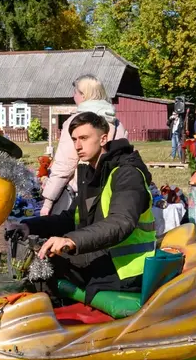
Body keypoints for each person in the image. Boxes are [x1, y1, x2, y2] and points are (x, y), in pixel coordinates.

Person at [13, 112, 155, 302]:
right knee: (40, 262)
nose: (78, 146)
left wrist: (71, 241)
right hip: (103, 258)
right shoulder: (93, 173)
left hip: (128, 270)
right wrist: (29, 226)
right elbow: (72, 218)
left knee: (48, 270)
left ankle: (58, 326)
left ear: (103, 138)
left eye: (84, 138)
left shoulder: (127, 174)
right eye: (74, 139)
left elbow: (121, 222)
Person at [40, 75, 127, 216]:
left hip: (82, 192)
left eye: (75, 92)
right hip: (112, 191)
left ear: (83, 95)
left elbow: (65, 164)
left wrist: (48, 201)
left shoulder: (77, 122)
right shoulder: (117, 123)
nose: (73, 96)